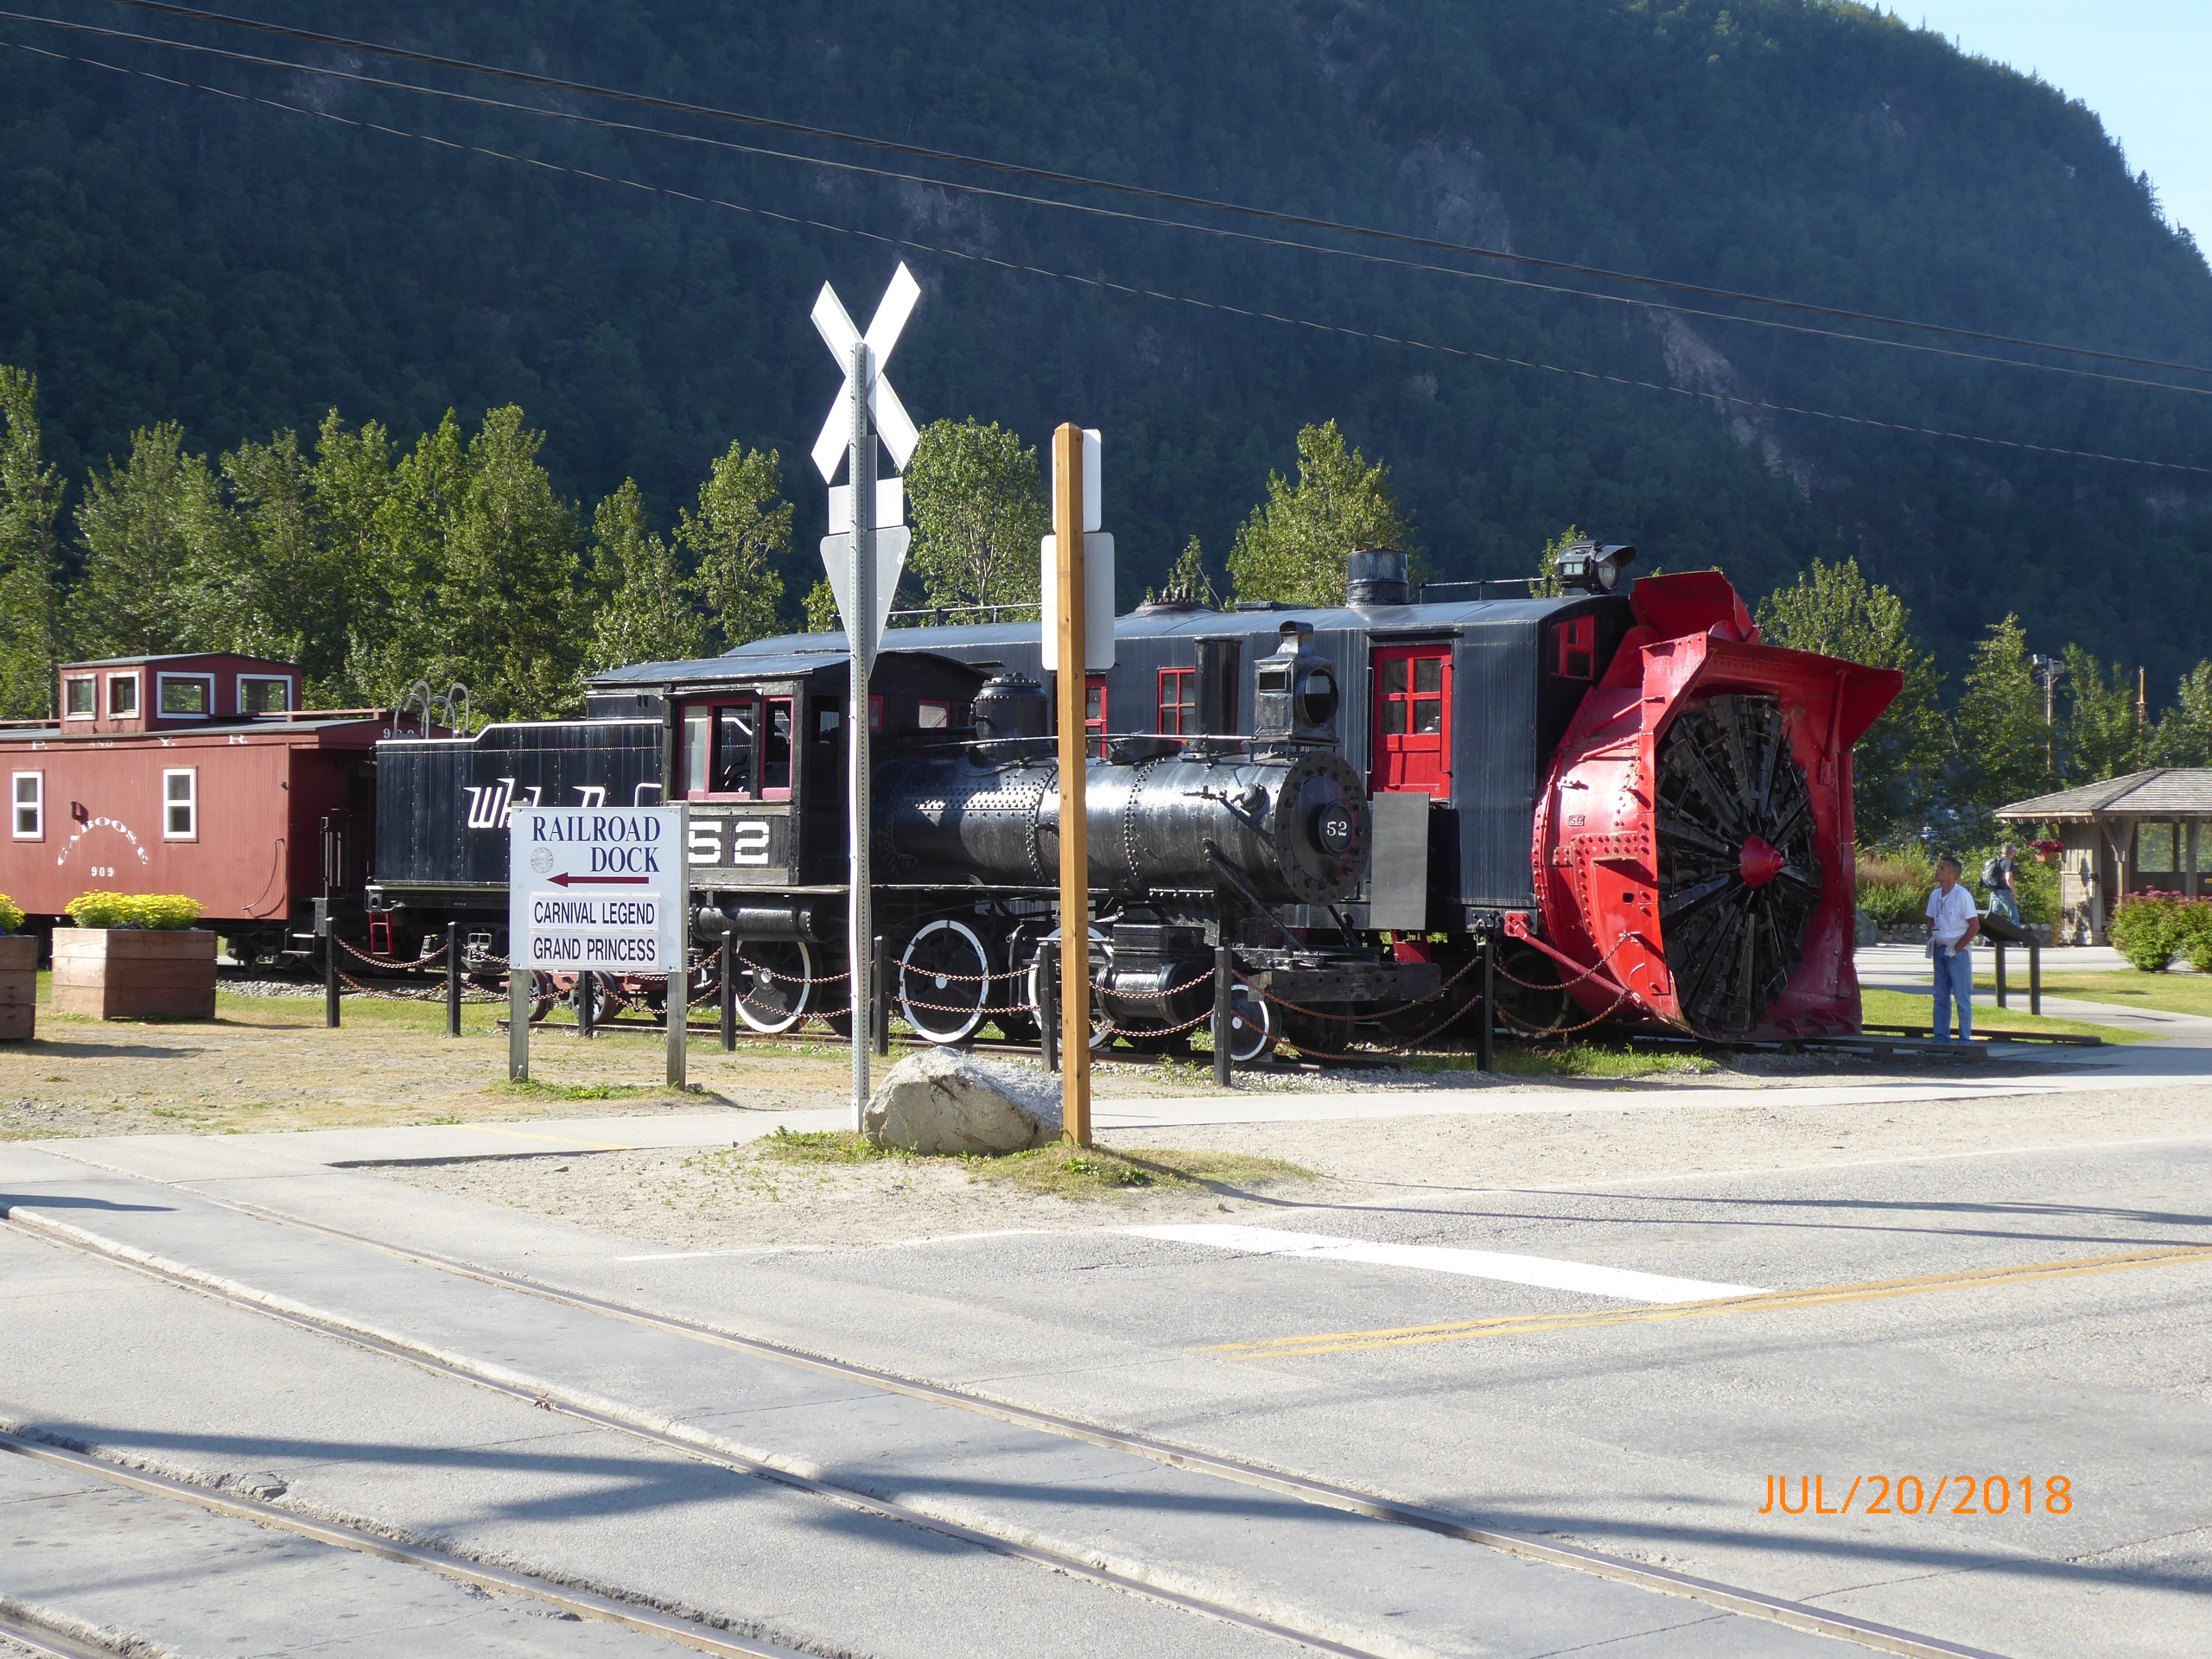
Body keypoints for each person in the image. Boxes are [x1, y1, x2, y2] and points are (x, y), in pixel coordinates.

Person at [1927, 856, 1980, 1042]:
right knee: (1940, 996)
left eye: (1942, 868)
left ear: (1953, 874)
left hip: (1956, 951)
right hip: (1940, 948)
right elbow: (1932, 920)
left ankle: (1964, 1038)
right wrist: (1934, 937)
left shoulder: (1962, 895)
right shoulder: (1935, 895)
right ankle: (1940, 1036)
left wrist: (1957, 948)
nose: (1938, 870)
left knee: (1961, 996)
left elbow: (1974, 925)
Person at [1982, 843, 2021, 928]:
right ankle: (2018, 936)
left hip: (1995, 891)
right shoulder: (2008, 862)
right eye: (2015, 851)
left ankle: (1989, 935)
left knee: (1994, 916)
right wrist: (2014, 890)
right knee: (2014, 916)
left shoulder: (1997, 861)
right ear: (2012, 852)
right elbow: (2008, 878)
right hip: (2005, 892)